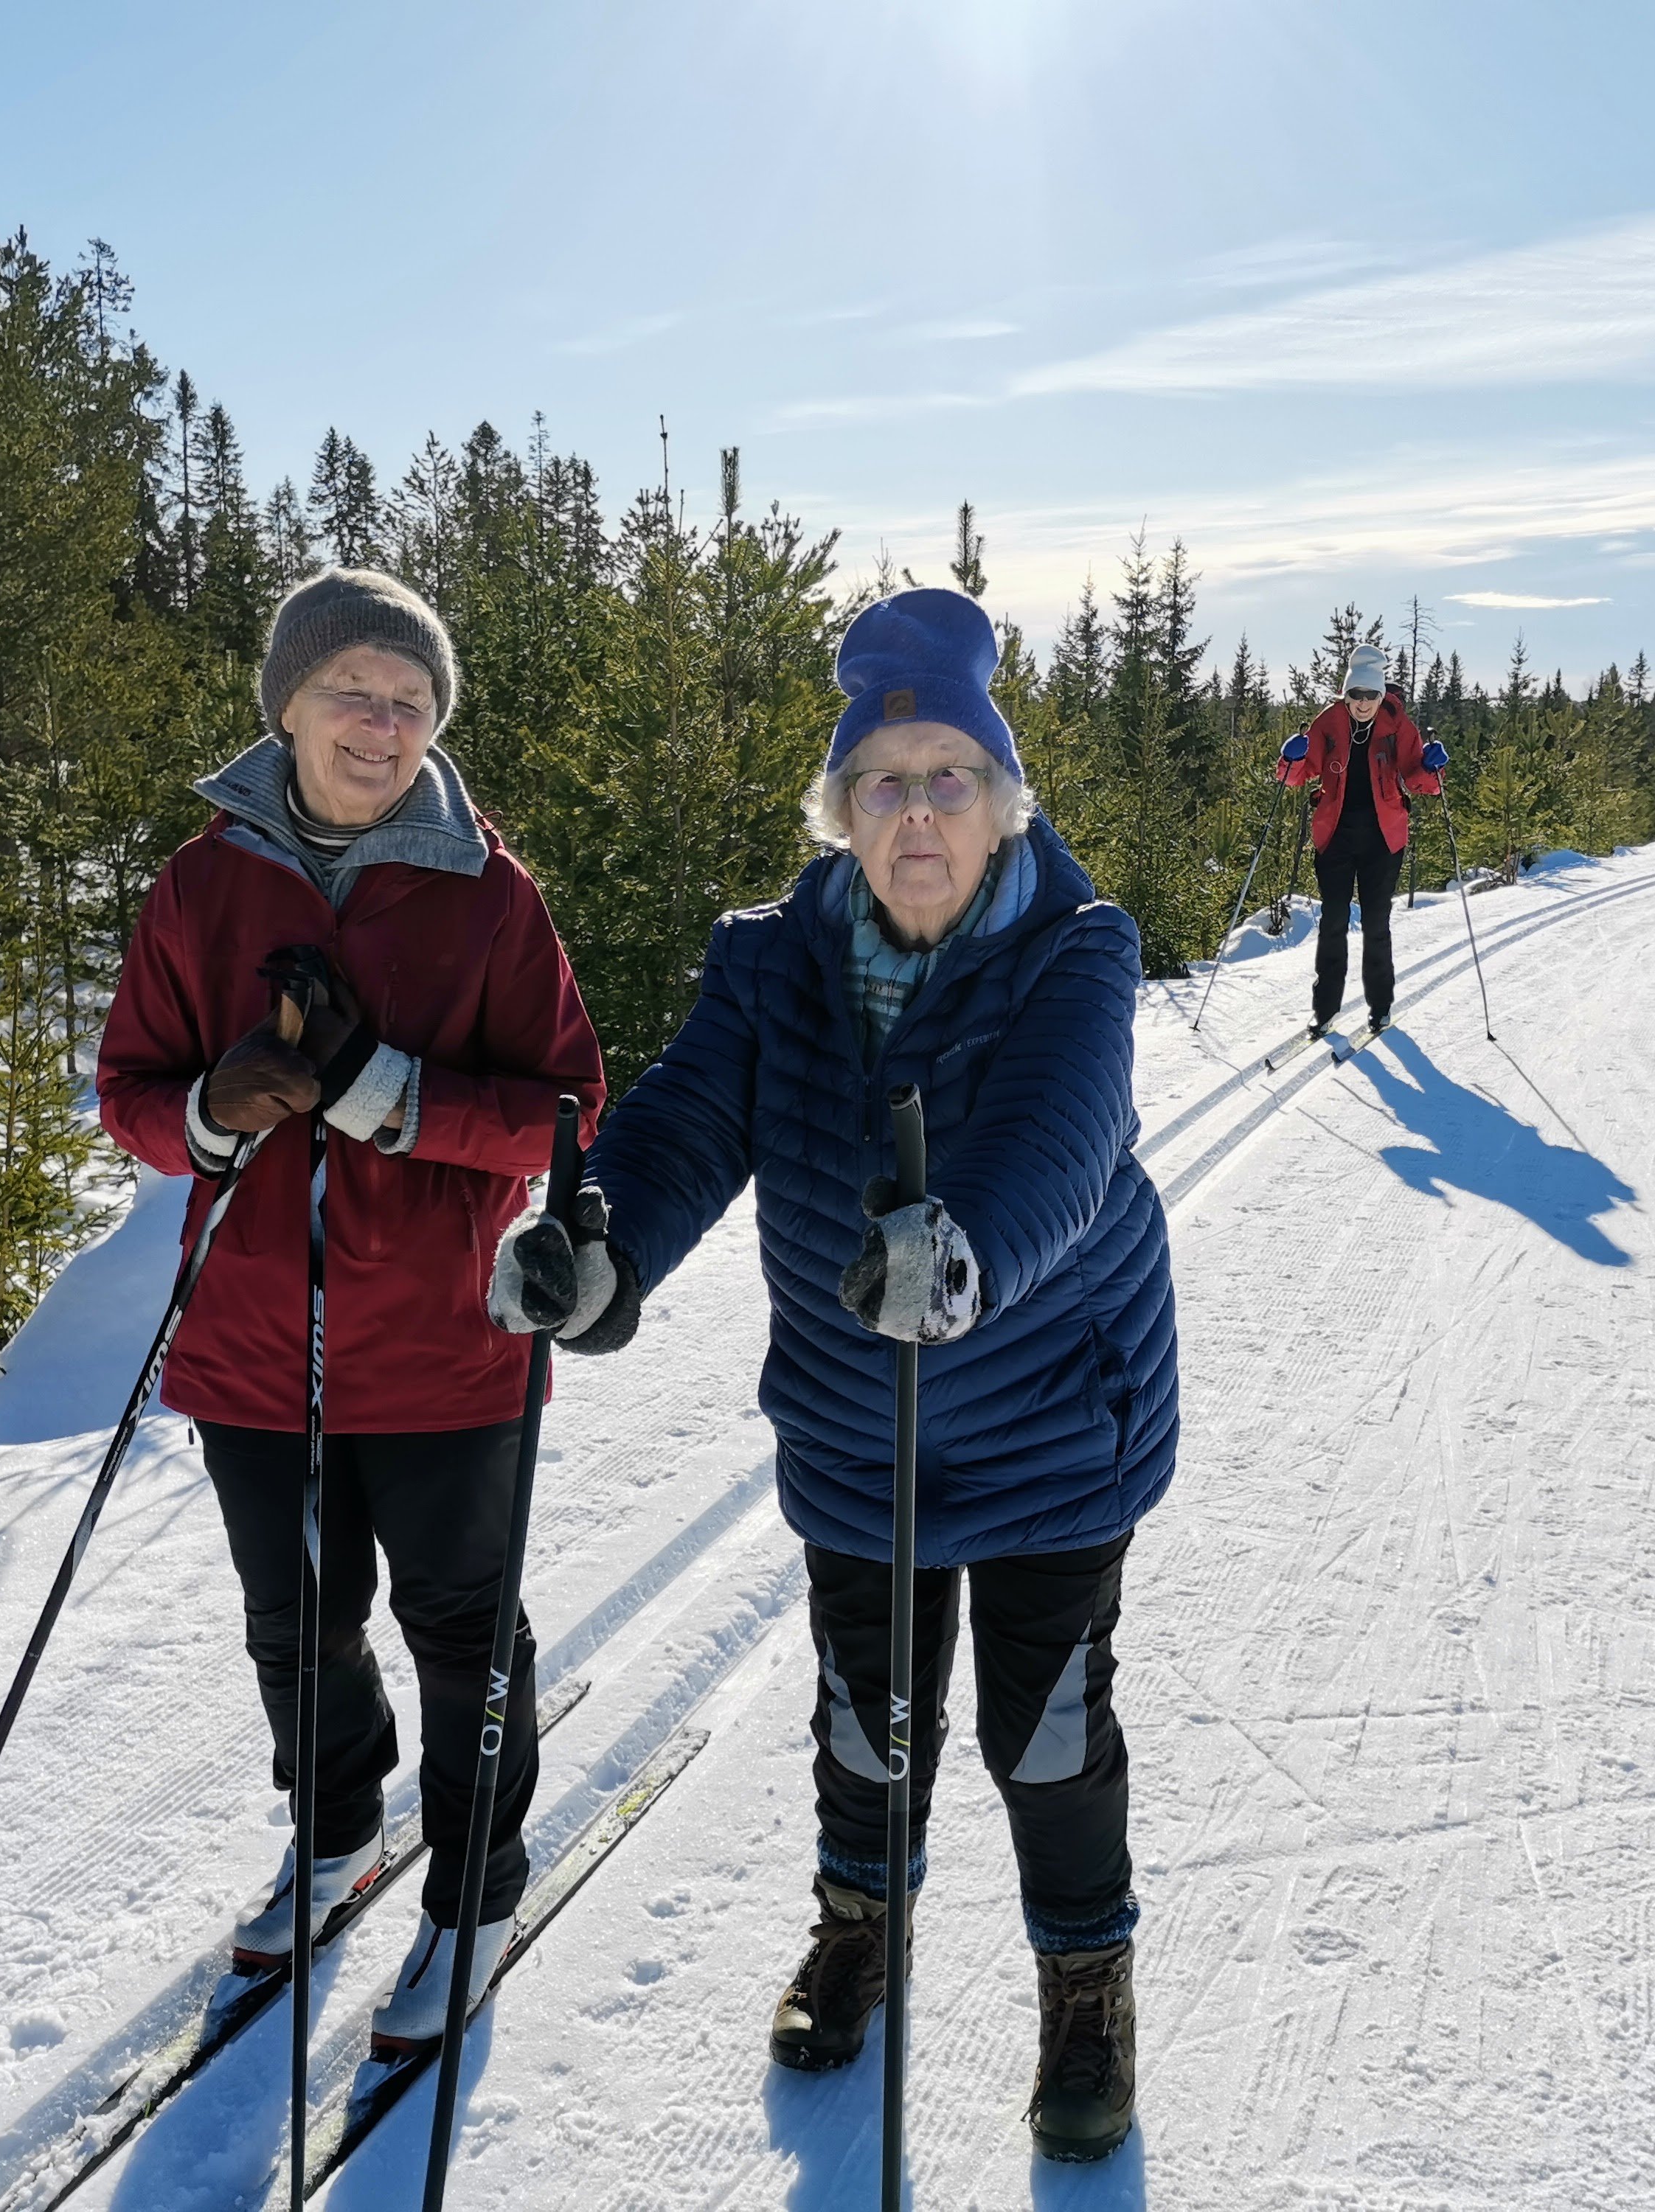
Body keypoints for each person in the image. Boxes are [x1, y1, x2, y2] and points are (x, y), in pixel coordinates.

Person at [493, 586, 1176, 2163]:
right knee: (868, 1711)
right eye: (886, 780)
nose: (919, 809)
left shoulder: (1077, 947)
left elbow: (1062, 1142)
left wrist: (968, 1255)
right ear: (842, 810)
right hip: (858, 1428)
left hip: (1053, 1419)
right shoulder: (768, 958)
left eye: (951, 775)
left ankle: (1086, 1985)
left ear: (1002, 803)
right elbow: (680, 1125)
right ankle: (860, 1923)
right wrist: (605, 1246)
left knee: (1044, 1727)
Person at [94, 567, 605, 2051]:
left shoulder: (487, 891)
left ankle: (477, 1883)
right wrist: (206, 1109)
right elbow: (129, 1089)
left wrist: (391, 1099)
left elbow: (567, 1111)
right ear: (289, 706)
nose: (379, 725)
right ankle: (337, 1833)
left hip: (444, 1345)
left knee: (460, 1628)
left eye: (408, 700)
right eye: (350, 693)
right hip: (250, 1344)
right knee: (294, 1625)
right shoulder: (202, 885)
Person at [1276, 643, 1446, 1038]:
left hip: (1383, 840)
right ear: (1346, 694)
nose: (1364, 703)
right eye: (1357, 695)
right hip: (1334, 836)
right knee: (1333, 922)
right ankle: (1325, 1008)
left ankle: (1381, 1007)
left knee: (1376, 923)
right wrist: (1293, 758)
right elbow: (1297, 776)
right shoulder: (1328, 723)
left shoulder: (1398, 725)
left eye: (1372, 695)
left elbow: (1420, 779)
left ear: (1382, 694)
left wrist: (1431, 767)